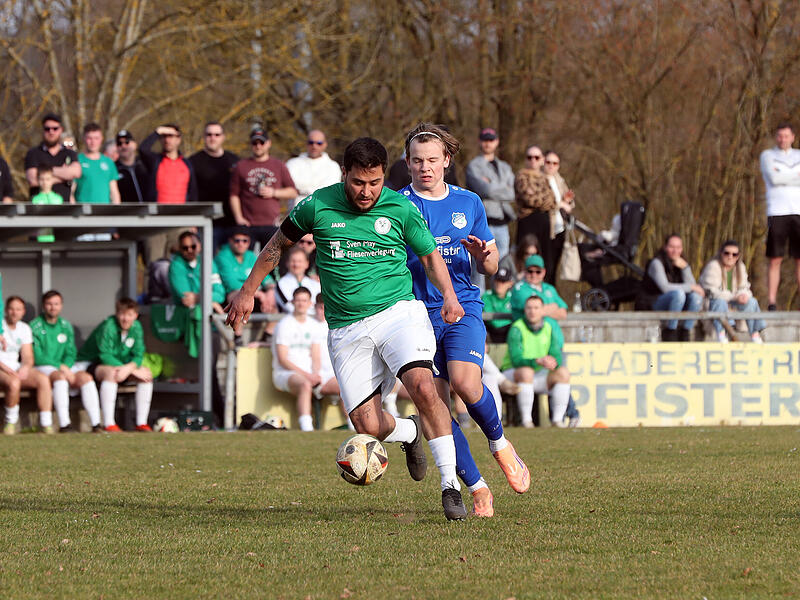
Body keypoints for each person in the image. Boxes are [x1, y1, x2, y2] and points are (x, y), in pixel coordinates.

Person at [226, 137, 469, 520]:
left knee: (423, 386)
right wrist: (247, 291)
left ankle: (449, 487)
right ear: (345, 174)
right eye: (358, 182)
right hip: (346, 329)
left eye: (374, 183)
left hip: (398, 313)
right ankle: (407, 433)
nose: (367, 191)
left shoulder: (400, 207)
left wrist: (451, 297)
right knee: (368, 425)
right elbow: (277, 245)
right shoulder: (316, 205)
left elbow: (430, 256)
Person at [402, 123, 530, 518]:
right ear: (407, 163)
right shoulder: (395, 204)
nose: (426, 167)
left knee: (465, 381)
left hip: (463, 307)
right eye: (418, 161)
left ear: (447, 162)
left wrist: (482, 255)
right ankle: (477, 486)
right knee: (435, 410)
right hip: (415, 315)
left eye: (433, 161)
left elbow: (491, 265)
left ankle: (499, 442)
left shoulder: (469, 202)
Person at [76, 297, 153, 432]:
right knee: (112, 373)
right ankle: (109, 423)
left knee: (146, 374)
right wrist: (131, 370)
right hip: (92, 363)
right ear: (117, 314)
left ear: (135, 315)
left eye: (129, 315)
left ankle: (142, 423)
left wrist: (129, 368)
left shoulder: (137, 327)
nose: (125, 319)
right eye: (122, 314)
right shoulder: (108, 326)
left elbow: (139, 354)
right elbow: (104, 355)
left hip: (121, 366)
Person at [31, 290, 102, 432]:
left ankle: (96, 424)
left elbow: (71, 352)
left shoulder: (66, 325)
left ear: (61, 306)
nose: (53, 307)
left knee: (86, 378)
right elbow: (37, 356)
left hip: (66, 367)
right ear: (44, 306)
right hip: (44, 366)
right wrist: (61, 368)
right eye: (49, 304)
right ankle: (65, 424)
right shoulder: (35, 326)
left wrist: (67, 366)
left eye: (56, 304)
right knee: (60, 377)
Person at [272, 287, 338, 431]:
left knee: (344, 386)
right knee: (304, 385)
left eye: (304, 300)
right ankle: (306, 428)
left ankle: (355, 427)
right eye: (298, 300)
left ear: (309, 303)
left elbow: (315, 355)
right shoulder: (284, 325)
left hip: (309, 375)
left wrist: (316, 374)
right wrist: (308, 376)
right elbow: (283, 359)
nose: (301, 304)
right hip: (285, 374)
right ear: (292, 302)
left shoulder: (313, 325)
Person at [502, 294, 572, 428]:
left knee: (563, 373)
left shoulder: (548, 328)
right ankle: (527, 421)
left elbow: (556, 354)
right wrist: (537, 361)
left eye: (536, 308)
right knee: (527, 372)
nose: (532, 311)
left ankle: (558, 421)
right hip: (512, 374)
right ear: (525, 310)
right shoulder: (517, 328)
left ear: (542, 310)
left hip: (537, 374)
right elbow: (516, 360)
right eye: (529, 308)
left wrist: (552, 362)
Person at [139, 123, 198, 263]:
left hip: (180, 221)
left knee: (179, 263)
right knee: (154, 265)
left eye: (171, 136)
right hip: (156, 220)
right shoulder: (155, 161)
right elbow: (143, 149)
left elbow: (193, 193)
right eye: (164, 136)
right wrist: (157, 131)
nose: (167, 140)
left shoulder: (187, 164)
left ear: (179, 139)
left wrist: (194, 221)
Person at [229, 128, 298, 243]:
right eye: (255, 143)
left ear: (269, 143)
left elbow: (293, 192)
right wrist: (239, 218)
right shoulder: (241, 166)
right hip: (248, 224)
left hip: (272, 224)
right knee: (248, 260)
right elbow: (233, 195)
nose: (258, 146)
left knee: (270, 259)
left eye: (262, 142)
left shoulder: (278, 165)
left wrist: (274, 192)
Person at [760, 122, 800, 310]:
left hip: (798, 212)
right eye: (779, 136)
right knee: (775, 258)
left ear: (793, 137)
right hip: (777, 211)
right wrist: (795, 177)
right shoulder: (768, 156)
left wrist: (784, 176)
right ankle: (772, 302)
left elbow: (780, 177)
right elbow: (774, 179)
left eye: (786, 136)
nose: (783, 139)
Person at [635, 233, 704, 342]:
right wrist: (691, 287)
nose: (675, 251)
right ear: (665, 247)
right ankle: (671, 330)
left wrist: (686, 268)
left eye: (678, 247)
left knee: (696, 298)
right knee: (679, 294)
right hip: (653, 301)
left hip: (676, 302)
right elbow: (665, 288)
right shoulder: (656, 263)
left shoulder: (681, 263)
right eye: (671, 247)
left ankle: (686, 330)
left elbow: (694, 288)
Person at [1, 296, 54, 434]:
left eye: (18, 309)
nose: (14, 312)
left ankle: (46, 423)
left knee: (42, 379)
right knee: (14, 383)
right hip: (2, 369)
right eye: (11, 309)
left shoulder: (24, 329)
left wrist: (25, 367)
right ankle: (11, 423)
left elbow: (27, 356)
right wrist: (4, 368)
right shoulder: (1, 326)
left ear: (23, 311)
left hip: (15, 368)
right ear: (6, 310)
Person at [465, 127, 516, 262]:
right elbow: (485, 190)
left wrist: (492, 185)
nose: (488, 143)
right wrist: (502, 187)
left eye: (491, 140)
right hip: (482, 222)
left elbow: (512, 193)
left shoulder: (505, 167)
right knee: (480, 263)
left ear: (497, 142)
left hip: (503, 223)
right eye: (484, 140)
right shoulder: (473, 166)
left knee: (502, 265)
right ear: (479, 142)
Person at [699, 240, 765, 343]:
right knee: (719, 302)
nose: (730, 257)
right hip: (713, 303)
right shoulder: (713, 266)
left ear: (738, 256)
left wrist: (743, 295)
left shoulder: (740, 267)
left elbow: (745, 286)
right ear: (721, 253)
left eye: (734, 254)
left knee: (752, 302)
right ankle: (721, 335)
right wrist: (735, 297)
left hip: (734, 302)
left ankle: (755, 335)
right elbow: (713, 292)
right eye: (727, 253)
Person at [189, 122, 239, 249]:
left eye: (217, 134)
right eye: (209, 134)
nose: (213, 138)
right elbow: (189, 193)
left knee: (228, 264)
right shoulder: (193, 161)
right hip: (205, 221)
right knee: (207, 263)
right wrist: (192, 221)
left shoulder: (234, 160)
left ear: (223, 137)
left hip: (231, 222)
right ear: (204, 137)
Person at [214, 227, 275, 313]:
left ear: (249, 242)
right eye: (237, 241)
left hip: (255, 293)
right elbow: (233, 285)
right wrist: (258, 294)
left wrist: (270, 291)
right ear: (230, 241)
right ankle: (238, 326)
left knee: (274, 298)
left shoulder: (251, 256)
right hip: (233, 294)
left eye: (244, 241)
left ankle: (270, 327)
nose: (241, 244)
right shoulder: (222, 257)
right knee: (239, 298)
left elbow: (266, 278)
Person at [24, 112, 81, 203]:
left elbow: (76, 172)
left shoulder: (70, 153)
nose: (51, 132)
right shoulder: (33, 153)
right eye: (47, 129)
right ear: (43, 130)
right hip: (38, 207)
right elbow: (33, 180)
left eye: (55, 128)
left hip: (64, 208)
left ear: (61, 130)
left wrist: (44, 172)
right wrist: (65, 177)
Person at [539, 150, 576, 284]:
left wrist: (566, 201)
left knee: (555, 266)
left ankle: (552, 295)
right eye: (548, 162)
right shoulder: (540, 180)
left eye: (555, 163)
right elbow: (542, 202)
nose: (551, 166)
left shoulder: (559, 180)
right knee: (546, 265)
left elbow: (570, 203)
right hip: (547, 229)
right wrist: (560, 204)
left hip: (561, 228)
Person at [168, 231, 226, 313]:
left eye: (193, 246)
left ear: (199, 246)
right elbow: (186, 299)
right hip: (185, 315)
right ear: (180, 248)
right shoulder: (176, 265)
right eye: (185, 248)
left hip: (208, 313)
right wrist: (212, 303)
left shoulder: (208, 261)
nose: (189, 250)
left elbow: (220, 295)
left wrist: (197, 297)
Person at [286, 129, 341, 210]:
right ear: (306, 143)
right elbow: (289, 187)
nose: (314, 146)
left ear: (325, 144)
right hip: (296, 214)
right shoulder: (292, 164)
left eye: (319, 143)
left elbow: (328, 191)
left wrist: (300, 190)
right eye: (311, 142)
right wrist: (315, 189)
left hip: (322, 213)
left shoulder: (333, 166)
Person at [514, 146, 556, 251]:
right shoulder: (521, 176)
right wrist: (543, 197)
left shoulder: (545, 178)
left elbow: (553, 201)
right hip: (527, 222)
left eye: (536, 157)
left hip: (545, 224)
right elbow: (530, 200)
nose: (533, 160)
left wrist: (535, 194)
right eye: (530, 157)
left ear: (542, 160)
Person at [509, 254, 568, 322]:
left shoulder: (550, 288)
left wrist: (542, 310)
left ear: (544, 272)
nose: (534, 275)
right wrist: (554, 306)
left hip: (552, 331)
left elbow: (563, 313)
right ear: (525, 272)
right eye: (530, 271)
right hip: (529, 331)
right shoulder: (519, 289)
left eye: (538, 272)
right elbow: (534, 312)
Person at [74, 123, 121, 204]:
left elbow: (114, 192)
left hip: (104, 212)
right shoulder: (77, 160)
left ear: (101, 139)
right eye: (89, 138)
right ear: (84, 138)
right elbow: (71, 191)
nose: (93, 142)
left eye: (96, 138)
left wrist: (116, 211)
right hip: (83, 212)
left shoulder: (108, 162)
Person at [274, 246, 321, 314]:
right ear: (287, 263)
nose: (296, 264)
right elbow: (290, 308)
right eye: (293, 261)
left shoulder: (315, 284)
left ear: (307, 264)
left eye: (300, 261)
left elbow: (320, 306)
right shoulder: (281, 284)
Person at [115, 129, 148, 204]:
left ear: (134, 144)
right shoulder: (114, 168)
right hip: (126, 213)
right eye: (119, 143)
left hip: (148, 211)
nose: (123, 146)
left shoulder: (145, 164)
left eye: (127, 142)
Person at [482, 267, 514, 343]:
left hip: (508, 334)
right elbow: (494, 323)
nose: (499, 284)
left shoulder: (513, 298)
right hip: (490, 333)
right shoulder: (486, 296)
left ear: (510, 283)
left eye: (503, 281)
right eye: (497, 280)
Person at [30, 166, 62, 242]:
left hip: (57, 238)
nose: (44, 182)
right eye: (42, 179)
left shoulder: (58, 198)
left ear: (52, 180)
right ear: (38, 180)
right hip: (40, 239)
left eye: (48, 179)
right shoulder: (34, 199)